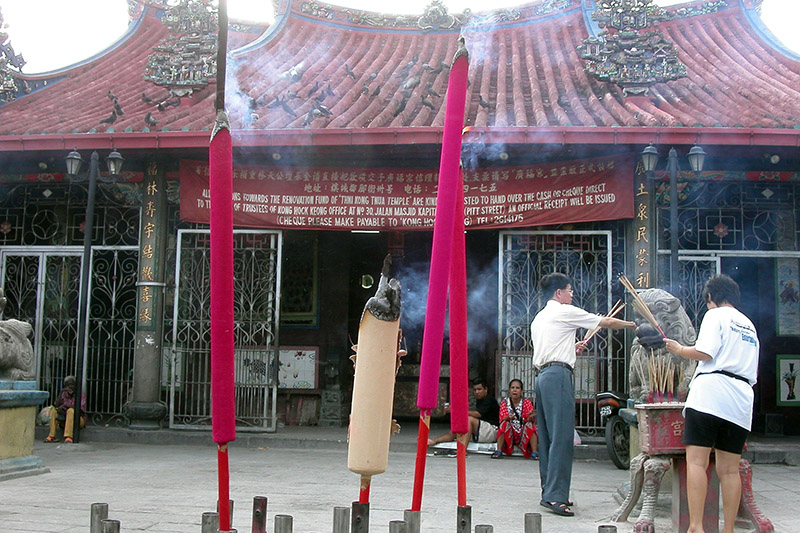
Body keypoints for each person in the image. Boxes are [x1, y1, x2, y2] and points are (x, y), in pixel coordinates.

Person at [531, 272, 635, 517]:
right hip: (558, 377)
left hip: (543, 377)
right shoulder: (564, 311)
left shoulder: (540, 317)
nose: (572, 294)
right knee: (562, 436)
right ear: (559, 293)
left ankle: (550, 492)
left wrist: (572, 347)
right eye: (569, 290)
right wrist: (633, 325)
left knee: (547, 437)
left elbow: (551, 347)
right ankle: (556, 498)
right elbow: (605, 322)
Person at [663, 274, 758, 533]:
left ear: (710, 298)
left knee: (697, 462)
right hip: (740, 399)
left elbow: (706, 352)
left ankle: (696, 526)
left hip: (710, 394)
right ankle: (727, 529)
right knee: (729, 469)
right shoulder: (749, 324)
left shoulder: (714, 315)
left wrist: (679, 349)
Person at [428, 378, 500, 447]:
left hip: (492, 431)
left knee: (468, 419)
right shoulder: (480, 399)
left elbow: (477, 414)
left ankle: (463, 449)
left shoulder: (489, 400)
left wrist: (457, 411)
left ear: (486, 390)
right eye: (475, 390)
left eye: (479, 389)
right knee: (457, 429)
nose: (477, 392)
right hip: (482, 430)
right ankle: (435, 441)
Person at [491, 378, 537, 459]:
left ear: (521, 391)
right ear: (509, 390)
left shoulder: (527, 403)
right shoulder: (504, 403)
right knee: (504, 424)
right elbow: (502, 419)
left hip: (522, 432)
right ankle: (499, 450)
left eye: (517, 388)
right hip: (510, 432)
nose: (515, 390)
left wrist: (531, 416)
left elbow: (529, 420)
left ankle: (534, 452)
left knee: (530, 425)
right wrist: (508, 418)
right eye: (512, 388)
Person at [44, 375, 87, 443]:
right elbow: (56, 404)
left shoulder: (81, 395)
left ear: (75, 385)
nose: (69, 387)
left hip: (77, 421)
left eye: (71, 385)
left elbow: (79, 408)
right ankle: (51, 436)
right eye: (67, 385)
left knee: (70, 411)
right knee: (54, 411)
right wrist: (61, 393)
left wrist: (65, 406)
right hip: (64, 420)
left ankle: (68, 437)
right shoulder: (64, 393)